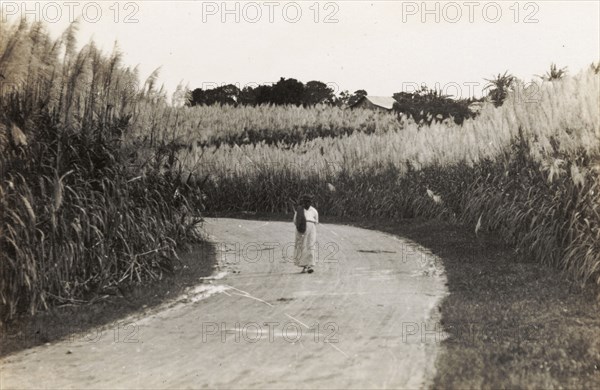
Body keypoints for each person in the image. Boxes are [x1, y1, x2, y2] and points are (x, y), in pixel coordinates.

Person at [293, 194, 319, 274]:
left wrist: (310, 228)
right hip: (301, 229)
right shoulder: (299, 210)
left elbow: (316, 221)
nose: (308, 203)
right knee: (302, 246)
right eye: (306, 201)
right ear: (303, 202)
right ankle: (304, 266)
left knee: (310, 246)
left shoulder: (314, 211)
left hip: (311, 229)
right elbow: (295, 221)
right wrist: (301, 228)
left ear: (311, 202)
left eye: (309, 201)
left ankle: (309, 265)